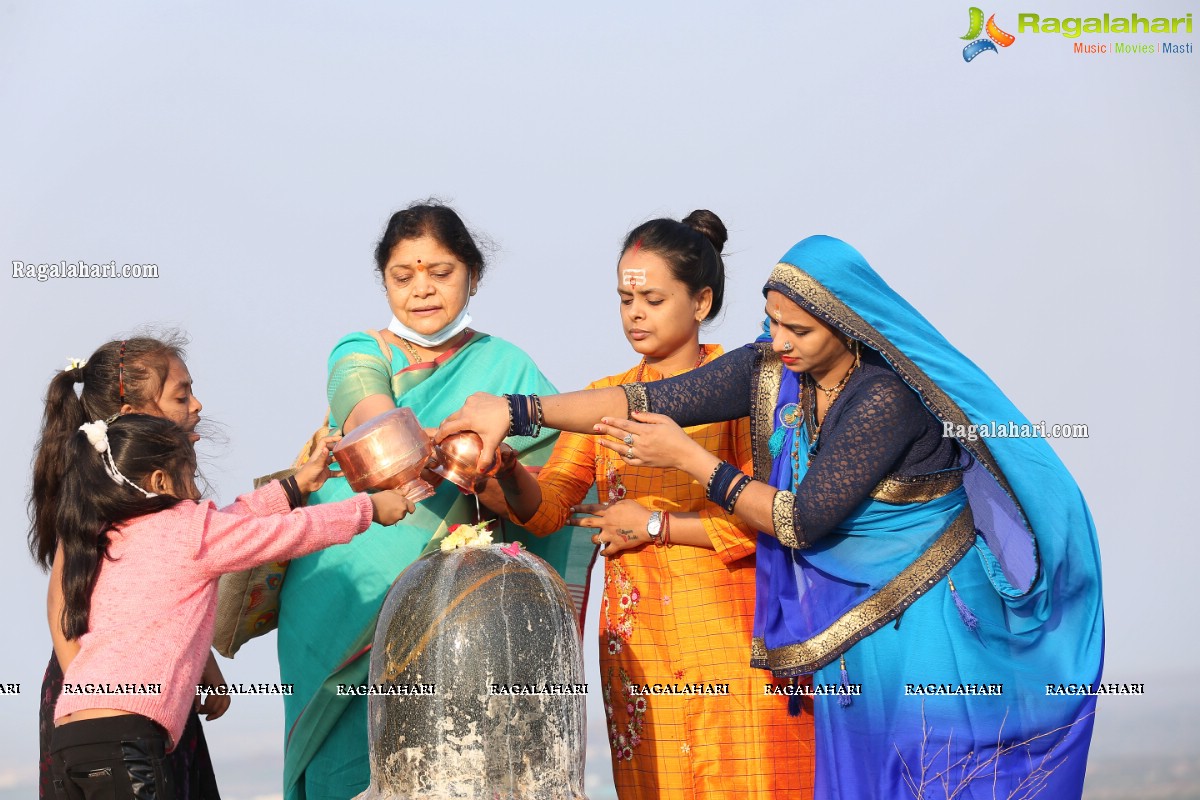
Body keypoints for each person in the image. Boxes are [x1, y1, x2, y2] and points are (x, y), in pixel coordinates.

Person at [440, 235, 1104, 799]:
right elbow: (647, 397)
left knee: (929, 769)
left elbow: (801, 521)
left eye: (797, 329)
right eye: (772, 321)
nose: (777, 340)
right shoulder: (772, 371)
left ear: (847, 325)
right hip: (843, 634)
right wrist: (516, 411)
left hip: (928, 616)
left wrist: (686, 472)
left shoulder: (884, 398)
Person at [479, 211, 813, 799]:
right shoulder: (604, 398)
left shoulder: (745, 388)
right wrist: (507, 471)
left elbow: (772, 517)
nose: (635, 314)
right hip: (639, 643)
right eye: (625, 298)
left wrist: (655, 524)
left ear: (701, 301)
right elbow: (549, 508)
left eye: (653, 299)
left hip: (730, 629)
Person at [276, 201, 591, 800]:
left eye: (440, 273)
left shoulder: (508, 368)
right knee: (341, 762)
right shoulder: (360, 350)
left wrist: (495, 468)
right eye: (403, 276)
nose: (421, 290)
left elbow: (549, 500)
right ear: (385, 281)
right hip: (342, 594)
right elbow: (373, 423)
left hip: (454, 610)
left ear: (473, 275)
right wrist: (446, 448)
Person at [49, 412, 414, 800]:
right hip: (127, 740)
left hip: (71, 738)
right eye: (190, 475)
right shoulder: (186, 532)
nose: (198, 490)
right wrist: (367, 510)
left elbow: (232, 522)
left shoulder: (114, 534)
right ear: (159, 481)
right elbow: (285, 532)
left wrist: (297, 485)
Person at [29, 336, 225, 799]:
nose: (196, 405)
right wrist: (101, 698)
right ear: (133, 409)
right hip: (109, 710)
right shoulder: (100, 487)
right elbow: (61, 607)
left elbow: (165, 590)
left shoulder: (150, 480)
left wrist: (203, 665)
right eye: (181, 395)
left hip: (152, 701)